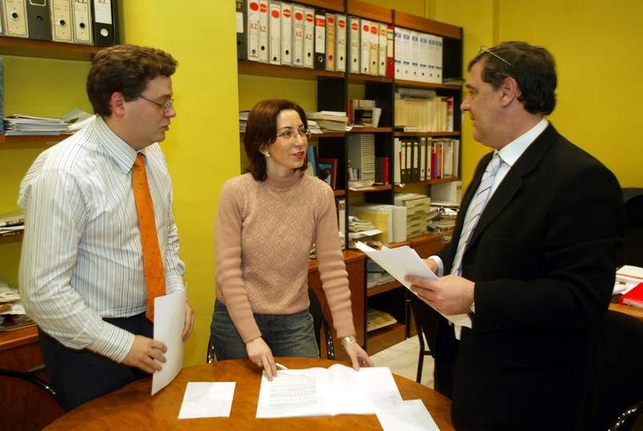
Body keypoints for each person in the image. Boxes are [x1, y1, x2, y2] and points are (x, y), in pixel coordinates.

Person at [406, 41, 624, 430]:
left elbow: (580, 297)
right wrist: (437, 262)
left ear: (508, 91)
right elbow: (469, 244)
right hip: (463, 362)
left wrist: (476, 295)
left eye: (472, 91)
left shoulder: (580, 179)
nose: (464, 105)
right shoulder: (489, 164)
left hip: (522, 391)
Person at [18, 44, 194, 411]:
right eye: (162, 103)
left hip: (152, 322)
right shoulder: (64, 172)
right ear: (119, 103)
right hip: (88, 342)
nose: (171, 112)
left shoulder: (150, 152)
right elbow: (43, 292)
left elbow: (166, 235)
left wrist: (176, 297)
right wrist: (123, 345)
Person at [211, 99, 372, 380]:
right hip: (236, 320)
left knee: (305, 401)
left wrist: (348, 337)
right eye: (287, 134)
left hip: (294, 320)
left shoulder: (319, 194)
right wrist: (251, 336)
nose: (299, 142)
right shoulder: (236, 192)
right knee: (244, 407)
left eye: (302, 131)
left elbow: (332, 268)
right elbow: (228, 271)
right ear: (263, 145)